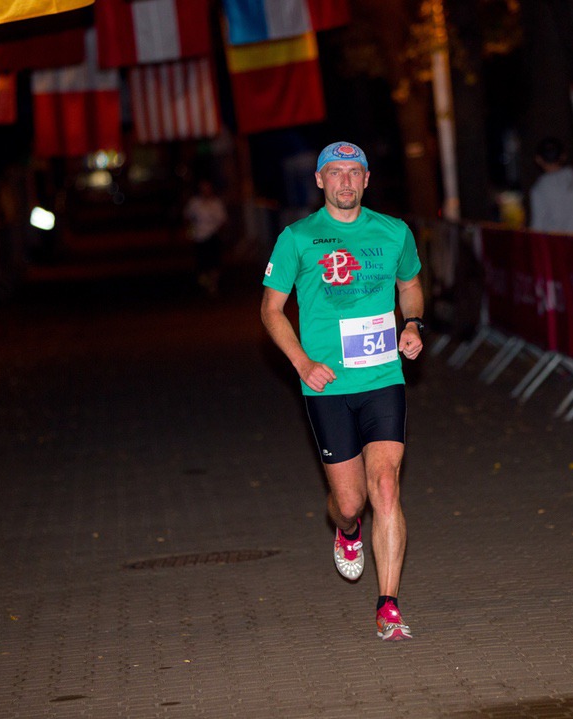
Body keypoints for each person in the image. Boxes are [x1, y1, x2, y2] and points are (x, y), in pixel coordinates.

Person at [260, 141, 425, 641]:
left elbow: (410, 285)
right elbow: (271, 310)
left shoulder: (394, 231)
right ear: (320, 180)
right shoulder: (296, 238)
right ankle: (347, 530)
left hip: (382, 378)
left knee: (386, 486)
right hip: (327, 385)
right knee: (351, 502)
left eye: (354, 172)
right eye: (335, 173)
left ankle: (388, 604)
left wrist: (412, 323)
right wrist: (302, 363)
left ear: (367, 179)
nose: (345, 181)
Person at [184, 179, 227, 296]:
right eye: (203, 188)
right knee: (202, 262)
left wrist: (220, 233)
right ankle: (204, 282)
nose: (205, 191)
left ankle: (213, 285)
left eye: (208, 188)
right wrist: (190, 230)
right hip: (199, 236)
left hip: (213, 235)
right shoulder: (194, 203)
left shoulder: (216, 203)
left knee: (214, 261)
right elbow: (187, 217)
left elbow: (223, 220)